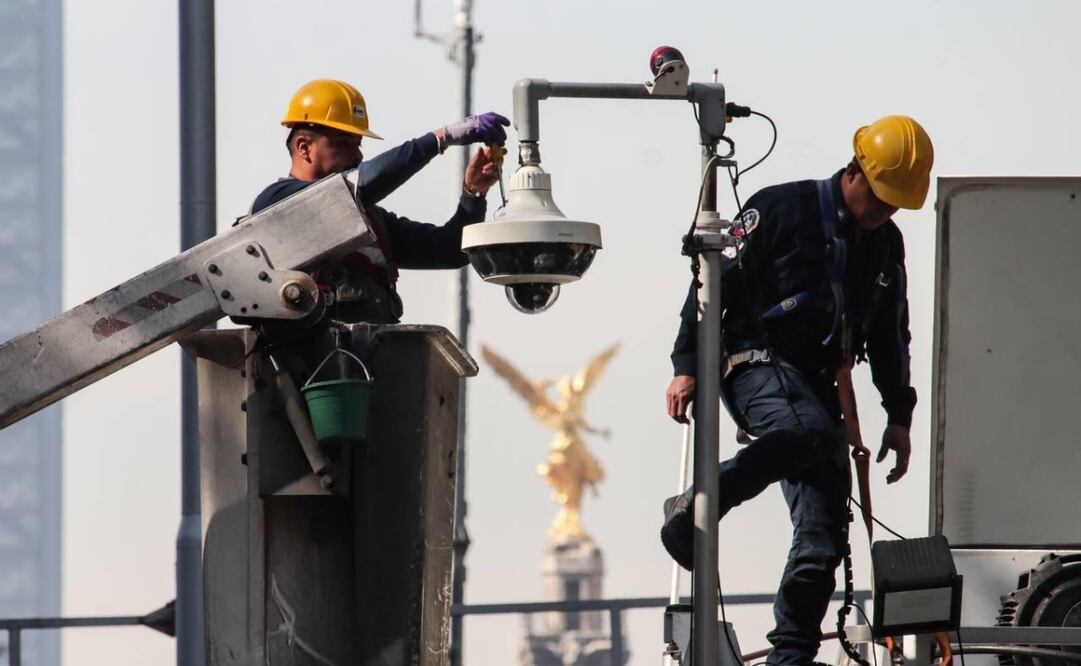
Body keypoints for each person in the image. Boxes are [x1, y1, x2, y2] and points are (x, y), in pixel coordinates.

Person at [660, 116, 934, 665]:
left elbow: (889, 333)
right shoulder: (779, 210)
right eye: (880, 199)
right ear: (854, 173)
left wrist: (898, 414)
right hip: (753, 358)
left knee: (823, 535)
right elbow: (709, 284)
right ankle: (699, 506)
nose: (884, 213)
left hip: (813, 386)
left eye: (894, 207)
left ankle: (791, 658)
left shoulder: (886, 247)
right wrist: (687, 364)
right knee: (805, 432)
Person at [250, 78, 509, 323]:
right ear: (304, 147)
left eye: (359, 144)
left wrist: (473, 193)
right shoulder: (277, 202)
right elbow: (363, 184)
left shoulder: (369, 220)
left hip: (366, 363)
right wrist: (439, 139)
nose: (358, 155)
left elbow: (450, 250)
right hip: (303, 366)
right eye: (344, 144)